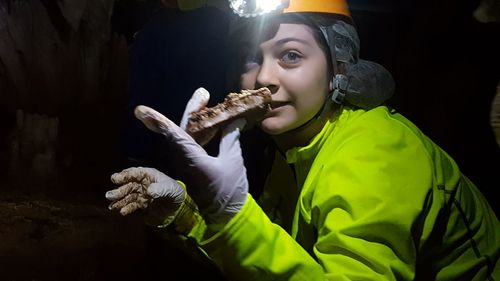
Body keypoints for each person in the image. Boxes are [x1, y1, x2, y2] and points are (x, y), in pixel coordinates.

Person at [105, 0, 500, 280]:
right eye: (251, 58)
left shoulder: (376, 155)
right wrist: (188, 212)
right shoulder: (297, 144)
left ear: (338, 69)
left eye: (290, 56)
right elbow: (279, 258)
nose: (263, 78)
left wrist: (232, 212)